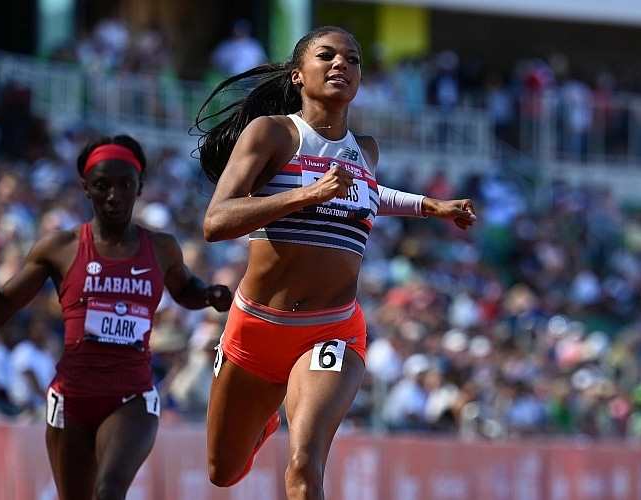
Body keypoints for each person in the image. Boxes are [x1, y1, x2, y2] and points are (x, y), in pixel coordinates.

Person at [195, 26, 476, 498]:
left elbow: (367, 193)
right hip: (257, 328)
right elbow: (216, 221)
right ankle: (266, 416)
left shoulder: (365, 151)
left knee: (305, 466)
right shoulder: (272, 133)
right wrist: (306, 194)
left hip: (333, 330)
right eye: (326, 56)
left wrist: (431, 206)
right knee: (223, 470)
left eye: (353, 59)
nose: (341, 64)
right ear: (298, 75)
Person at [0, 135, 232, 500]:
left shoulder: (162, 248)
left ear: (140, 188)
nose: (114, 196)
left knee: (109, 491)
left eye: (125, 185)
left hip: (132, 397)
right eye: (102, 186)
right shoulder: (59, 248)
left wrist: (209, 295)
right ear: (85, 188)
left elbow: (185, 289)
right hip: (70, 398)